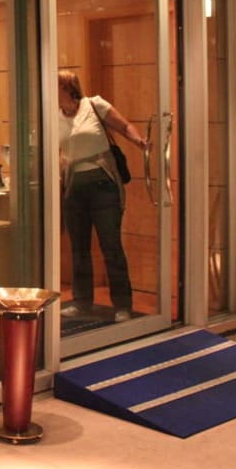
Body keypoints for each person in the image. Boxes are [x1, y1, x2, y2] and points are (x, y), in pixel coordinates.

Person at [57, 70, 148, 324]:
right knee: (79, 249)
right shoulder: (54, 116)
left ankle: (122, 305)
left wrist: (139, 141)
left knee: (111, 246)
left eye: (56, 85)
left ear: (67, 87)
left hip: (102, 184)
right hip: (73, 187)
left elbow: (124, 126)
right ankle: (82, 302)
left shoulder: (93, 105)